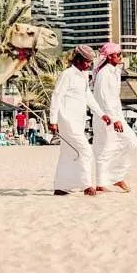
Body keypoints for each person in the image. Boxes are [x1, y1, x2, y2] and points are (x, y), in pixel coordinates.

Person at [49, 45, 111, 196]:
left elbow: (88, 97)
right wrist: (53, 120)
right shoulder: (67, 74)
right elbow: (56, 96)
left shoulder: (83, 76)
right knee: (85, 150)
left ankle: (61, 186)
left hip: (78, 120)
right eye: (87, 62)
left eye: (90, 62)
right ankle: (87, 186)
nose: (89, 65)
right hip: (67, 120)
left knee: (67, 152)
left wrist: (101, 114)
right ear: (77, 60)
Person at [91, 42, 137, 193]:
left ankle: (116, 177)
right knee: (104, 147)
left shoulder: (114, 71)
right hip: (106, 117)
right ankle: (104, 181)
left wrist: (117, 117)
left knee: (131, 143)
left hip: (116, 115)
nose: (120, 57)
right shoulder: (104, 73)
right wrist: (114, 119)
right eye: (118, 54)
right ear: (110, 56)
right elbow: (103, 98)